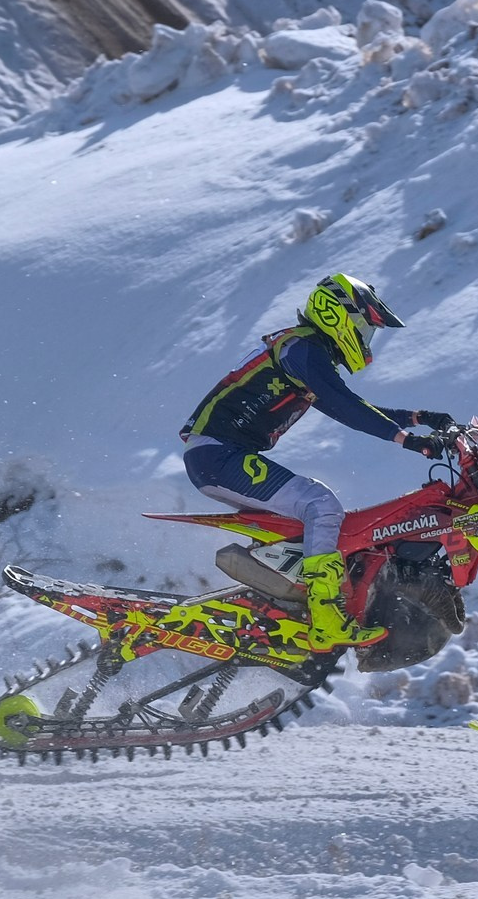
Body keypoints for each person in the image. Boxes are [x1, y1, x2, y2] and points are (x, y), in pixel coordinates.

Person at [178, 272, 458, 651]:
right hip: (219, 454)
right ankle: (326, 615)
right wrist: (408, 440)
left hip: (222, 453)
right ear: (335, 313)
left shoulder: (306, 352)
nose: (364, 338)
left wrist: (419, 417)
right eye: (362, 326)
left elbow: (346, 402)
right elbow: (344, 405)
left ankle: (289, 604)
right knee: (320, 504)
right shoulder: (303, 349)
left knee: (310, 521)